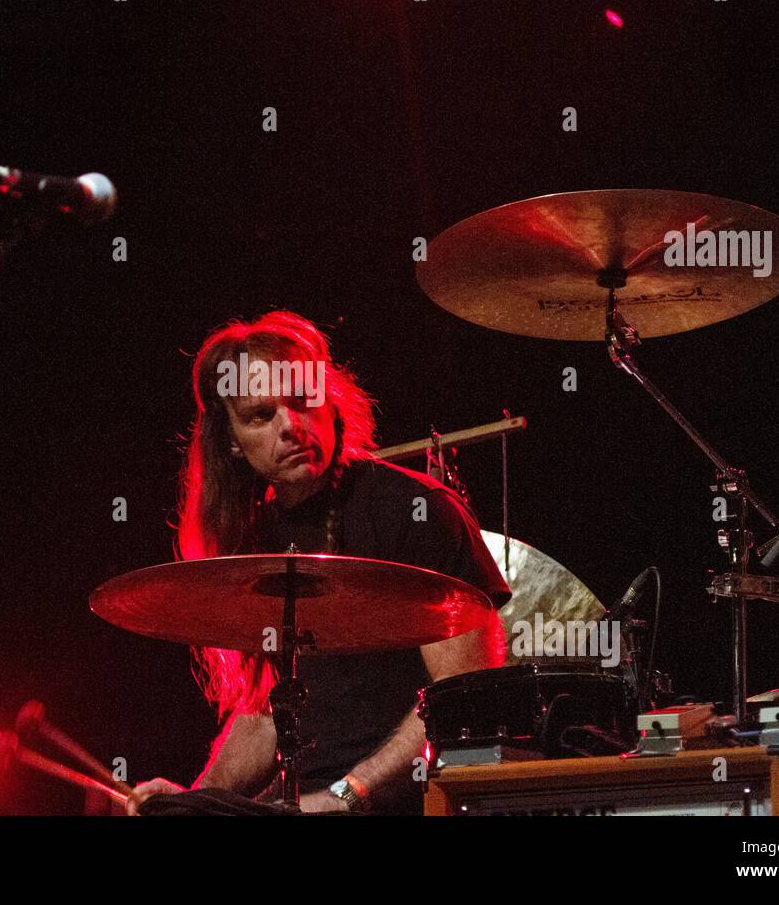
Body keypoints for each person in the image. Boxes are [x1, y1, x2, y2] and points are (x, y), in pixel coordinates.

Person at [131, 311, 510, 814]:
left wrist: (347, 795)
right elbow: (265, 716)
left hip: (403, 797)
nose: (289, 426)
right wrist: (200, 799)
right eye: (261, 415)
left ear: (329, 403)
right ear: (231, 442)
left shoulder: (414, 511)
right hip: (300, 802)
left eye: (301, 400)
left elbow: (464, 695)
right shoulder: (251, 539)